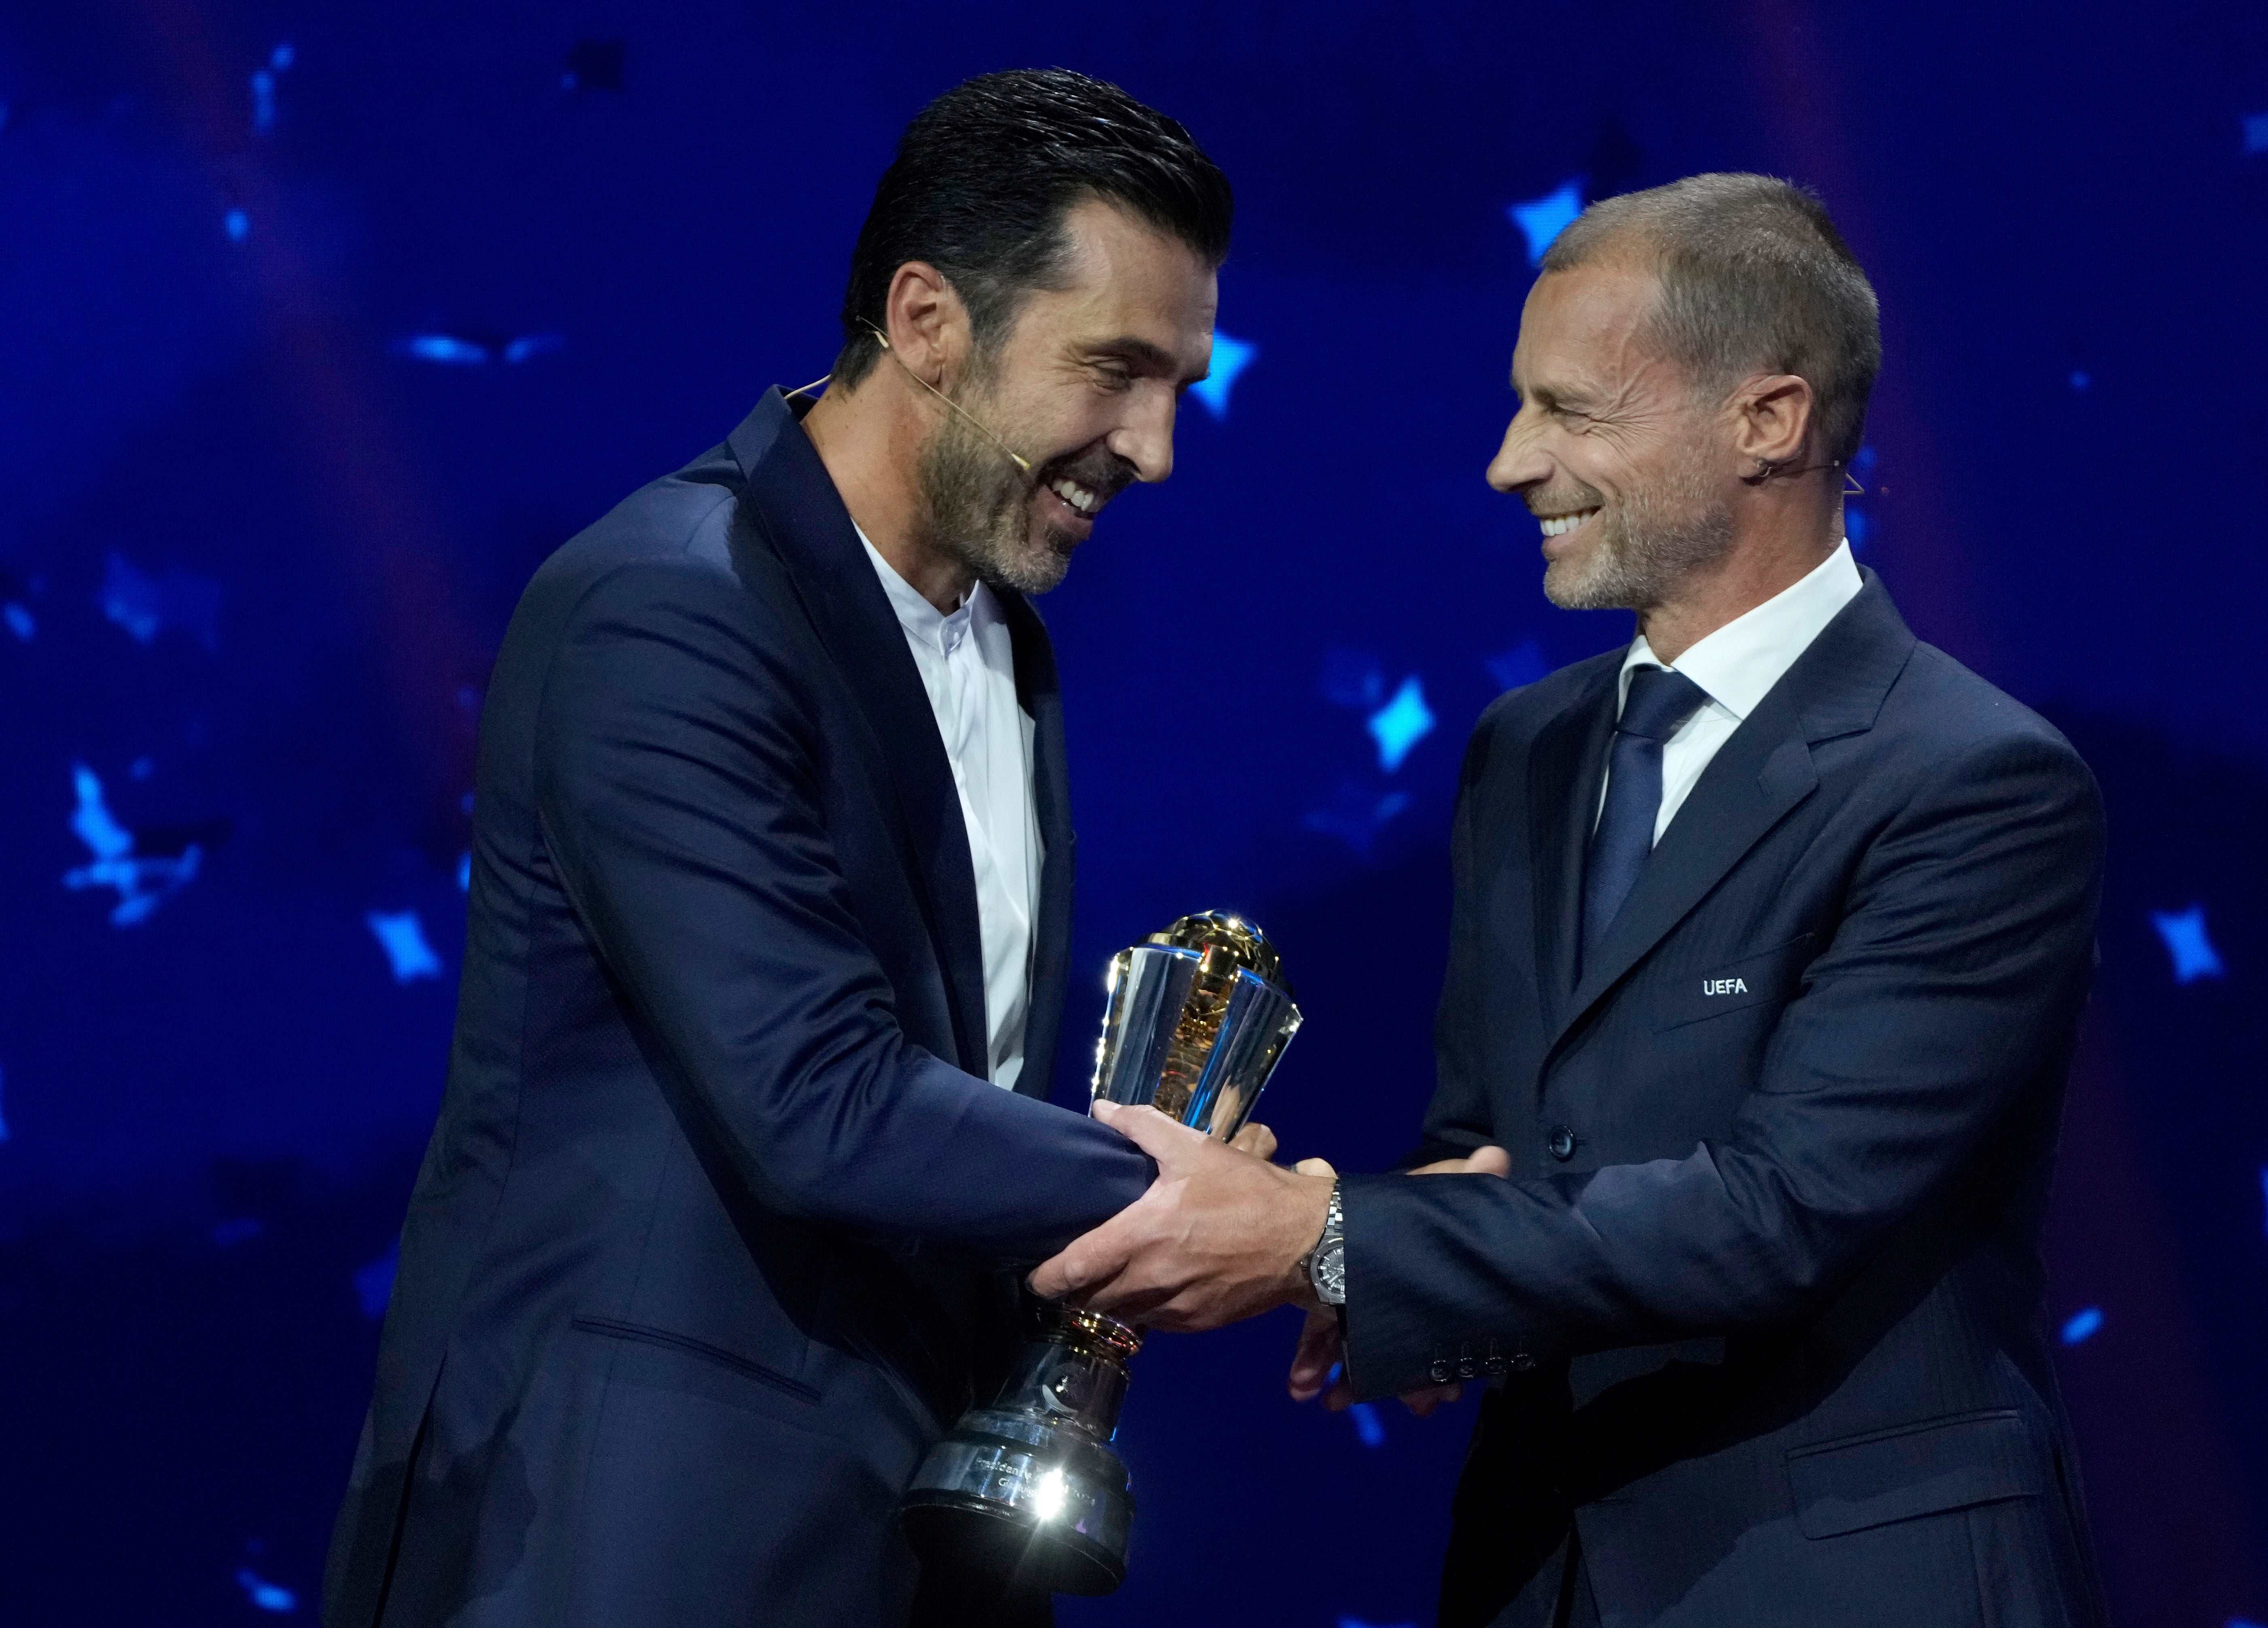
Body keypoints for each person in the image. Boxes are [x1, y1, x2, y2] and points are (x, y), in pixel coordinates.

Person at [1032, 173, 2111, 1627]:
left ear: (1769, 420)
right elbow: (1499, 1143)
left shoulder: (1974, 783)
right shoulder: (1528, 748)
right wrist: (1382, 1262)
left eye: (1569, 410)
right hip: (1545, 1568)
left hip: (1852, 1574)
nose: (1506, 462)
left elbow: (1783, 1209)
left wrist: (1324, 1237)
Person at [322, 69, 1240, 1628]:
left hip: (902, 1532)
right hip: (627, 1532)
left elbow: (967, 1079)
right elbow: (816, 1097)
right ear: (928, 319)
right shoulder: (671, 609)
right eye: (1115, 371)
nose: (1152, 447)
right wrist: (1192, 1198)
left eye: (1179, 387)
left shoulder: (1008, 644)